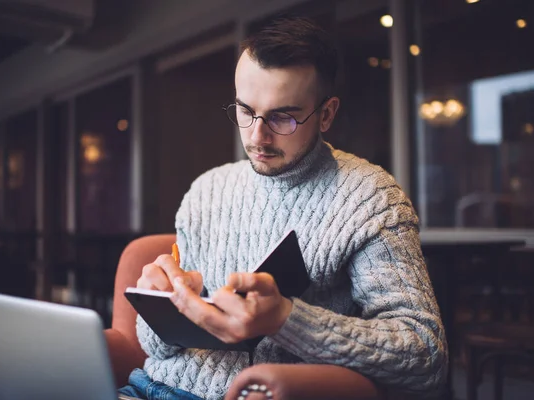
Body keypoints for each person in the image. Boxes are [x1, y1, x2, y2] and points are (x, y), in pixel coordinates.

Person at [120, 16, 447, 400]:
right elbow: (159, 349)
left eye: (282, 117)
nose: (258, 136)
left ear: (326, 114)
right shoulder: (206, 191)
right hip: (146, 385)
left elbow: (426, 354)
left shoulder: (370, 197)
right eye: (245, 110)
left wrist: (285, 320)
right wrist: (160, 308)